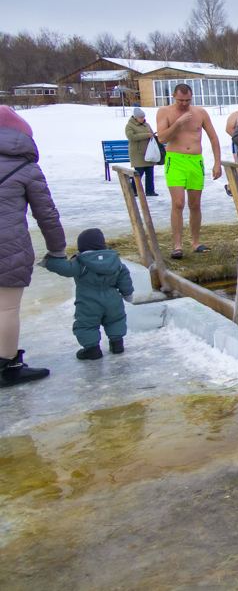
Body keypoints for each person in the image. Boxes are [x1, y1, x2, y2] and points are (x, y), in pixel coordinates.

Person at [0, 106, 66, 387]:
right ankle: (7, 366)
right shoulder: (25, 168)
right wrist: (57, 249)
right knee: (5, 309)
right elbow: (46, 215)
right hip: (9, 248)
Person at [42, 228, 133, 360]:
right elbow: (124, 277)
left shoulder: (81, 262)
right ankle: (117, 344)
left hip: (88, 302)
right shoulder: (115, 261)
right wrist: (127, 294)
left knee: (86, 325)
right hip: (113, 300)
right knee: (115, 320)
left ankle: (92, 350)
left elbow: (65, 268)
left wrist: (50, 262)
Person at [155, 83, 223, 258]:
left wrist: (217, 163)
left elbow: (214, 138)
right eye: (180, 100)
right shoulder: (164, 112)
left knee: (195, 204)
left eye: (187, 100)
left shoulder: (200, 113)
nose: (184, 103)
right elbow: (162, 138)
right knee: (178, 203)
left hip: (195, 160)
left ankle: (195, 242)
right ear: (173, 97)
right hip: (175, 160)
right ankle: (177, 245)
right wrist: (178, 124)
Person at [124, 107, 159, 196]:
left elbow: (151, 134)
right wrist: (147, 135)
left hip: (148, 152)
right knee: (138, 173)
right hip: (137, 154)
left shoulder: (146, 125)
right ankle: (134, 191)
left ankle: (150, 191)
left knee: (150, 172)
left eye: (143, 117)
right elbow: (131, 137)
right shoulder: (129, 126)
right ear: (135, 117)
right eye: (141, 117)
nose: (143, 119)